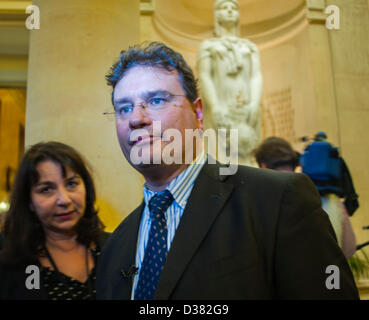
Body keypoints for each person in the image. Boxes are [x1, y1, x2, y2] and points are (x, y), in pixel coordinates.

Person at [96, 41, 358, 299]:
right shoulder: (115, 246)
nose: (136, 119)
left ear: (198, 112)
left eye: (155, 100)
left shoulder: (277, 201)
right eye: (125, 108)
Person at [0, 141, 109, 300]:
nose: (64, 200)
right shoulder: (12, 263)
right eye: (46, 189)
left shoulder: (115, 248)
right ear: (29, 201)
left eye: (71, 184)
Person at [253, 136, 357, 259]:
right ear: (296, 163)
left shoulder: (259, 204)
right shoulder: (330, 199)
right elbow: (349, 249)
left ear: (263, 166)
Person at [197, 0, 263, 165]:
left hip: (246, 105)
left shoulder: (250, 47)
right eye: (224, 7)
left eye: (233, 8)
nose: (229, 11)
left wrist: (255, 103)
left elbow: (256, 76)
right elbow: (205, 76)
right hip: (221, 103)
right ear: (216, 14)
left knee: (249, 152)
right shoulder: (208, 46)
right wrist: (214, 106)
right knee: (222, 154)